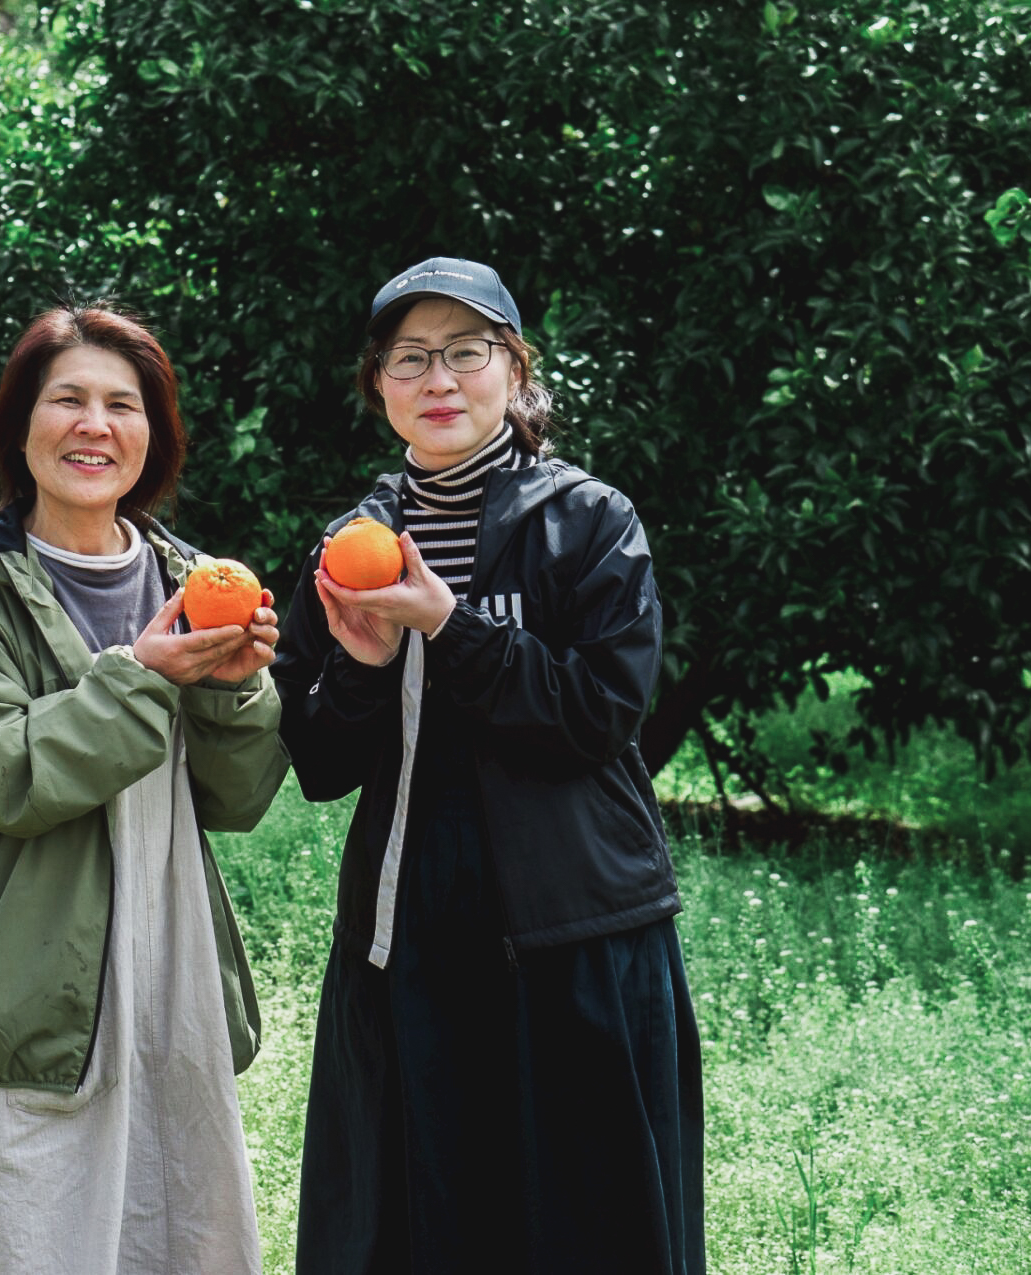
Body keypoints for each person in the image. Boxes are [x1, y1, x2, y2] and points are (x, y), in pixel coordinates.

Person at [273, 256, 705, 1273]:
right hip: (406, 939)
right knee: (416, 1228)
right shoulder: (351, 542)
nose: (440, 380)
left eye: (467, 353)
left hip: (572, 936)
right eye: (410, 358)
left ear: (514, 372)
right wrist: (370, 669)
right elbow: (318, 755)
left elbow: (602, 715)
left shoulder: (590, 524)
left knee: (585, 1229)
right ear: (379, 385)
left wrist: (452, 627)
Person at [0, 303, 290, 1275]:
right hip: (28, 976)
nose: (94, 425)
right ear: (20, 422)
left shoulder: (195, 581)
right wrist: (146, 675)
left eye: (123, 404)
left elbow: (235, 800)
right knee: (41, 1229)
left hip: (169, 962)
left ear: (153, 435)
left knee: (175, 1216)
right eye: (66, 399)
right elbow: (4, 774)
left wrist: (236, 694)